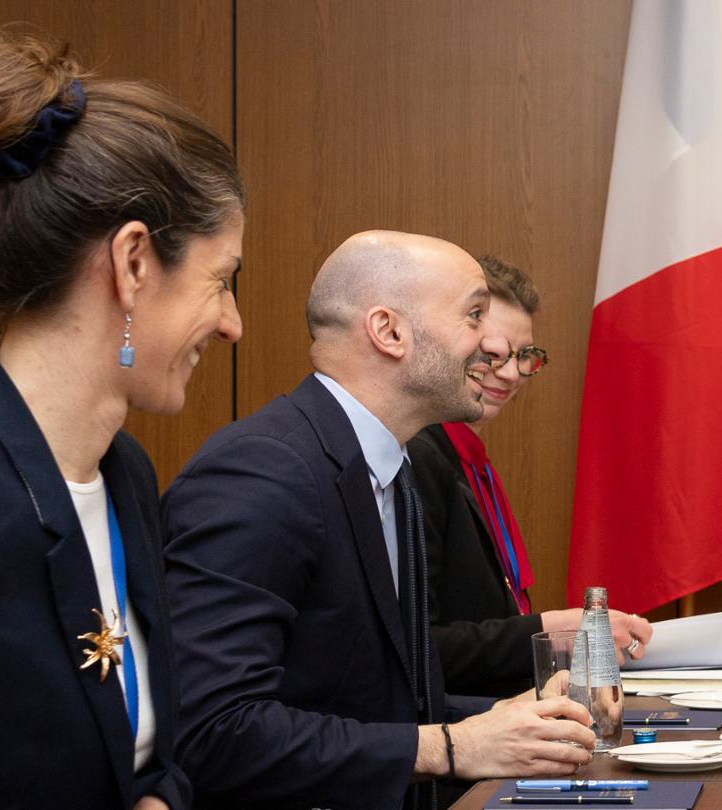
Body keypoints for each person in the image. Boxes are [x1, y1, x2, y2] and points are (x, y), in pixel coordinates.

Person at [162, 231, 595, 808]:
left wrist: (509, 717)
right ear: (389, 332)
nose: (493, 347)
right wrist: (452, 745)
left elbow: (375, 705)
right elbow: (214, 734)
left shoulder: (391, 472)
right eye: (473, 316)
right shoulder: (263, 472)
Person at [0, 24, 246, 808]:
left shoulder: (126, 473)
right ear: (134, 261)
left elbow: (149, 756)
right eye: (222, 280)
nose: (233, 323)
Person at [410, 255, 653, 697]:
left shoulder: (469, 460)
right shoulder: (419, 455)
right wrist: (551, 629)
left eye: (525, 356)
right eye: (492, 353)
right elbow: (417, 648)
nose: (510, 373)